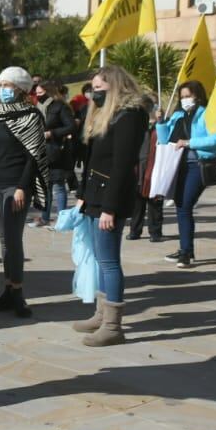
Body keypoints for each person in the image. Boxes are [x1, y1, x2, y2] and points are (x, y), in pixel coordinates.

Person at [72, 66, 149, 347]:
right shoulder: (105, 115)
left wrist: (110, 208)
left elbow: (121, 166)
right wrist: (82, 193)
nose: (95, 94)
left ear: (115, 88)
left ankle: (113, 325)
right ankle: (101, 314)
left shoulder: (129, 116)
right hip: (95, 193)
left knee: (108, 260)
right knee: (98, 258)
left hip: (110, 198)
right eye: (93, 89)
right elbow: (93, 160)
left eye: (100, 90)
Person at [0, 66, 48, 318]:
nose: (2, 90)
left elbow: (33, 155)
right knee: (3, 239)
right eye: (0, 85)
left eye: (7, 86)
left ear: (21, 89)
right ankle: (8, 288)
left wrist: (22, 187)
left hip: (15, 186)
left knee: (13, 239)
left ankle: (17, 293)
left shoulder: (32, 117)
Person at [155, 81, 216, 269]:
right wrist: (160, 122)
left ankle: (186, 252)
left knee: (185, 205)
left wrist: (189, 142)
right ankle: (186, 248)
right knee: (181, 206)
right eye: (182, 96)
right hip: (177, 165)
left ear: (198, 95)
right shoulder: (177, 115)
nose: (185, 100)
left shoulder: (208, 114)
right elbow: (164, 139)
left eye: (188, 96)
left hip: (198, 165)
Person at [31, 80, 77, 227]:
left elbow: (71, 127)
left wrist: (52, 133)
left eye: (41, 93)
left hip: (56, 151)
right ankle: (45, 217)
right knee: (45, 186)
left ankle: (62, 218)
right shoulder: (37, 107)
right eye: (36, 93)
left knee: (58, 185)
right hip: (40, 150)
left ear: (49, 92)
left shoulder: (60, 107)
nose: (38, 96)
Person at [127, 108, 164, 242]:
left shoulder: (161, 126)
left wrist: (160, 122)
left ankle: (155, 232)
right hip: (139, 167)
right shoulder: (136, 127)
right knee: (137, 203)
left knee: (155, 202)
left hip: (155, 167)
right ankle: (135, 231)